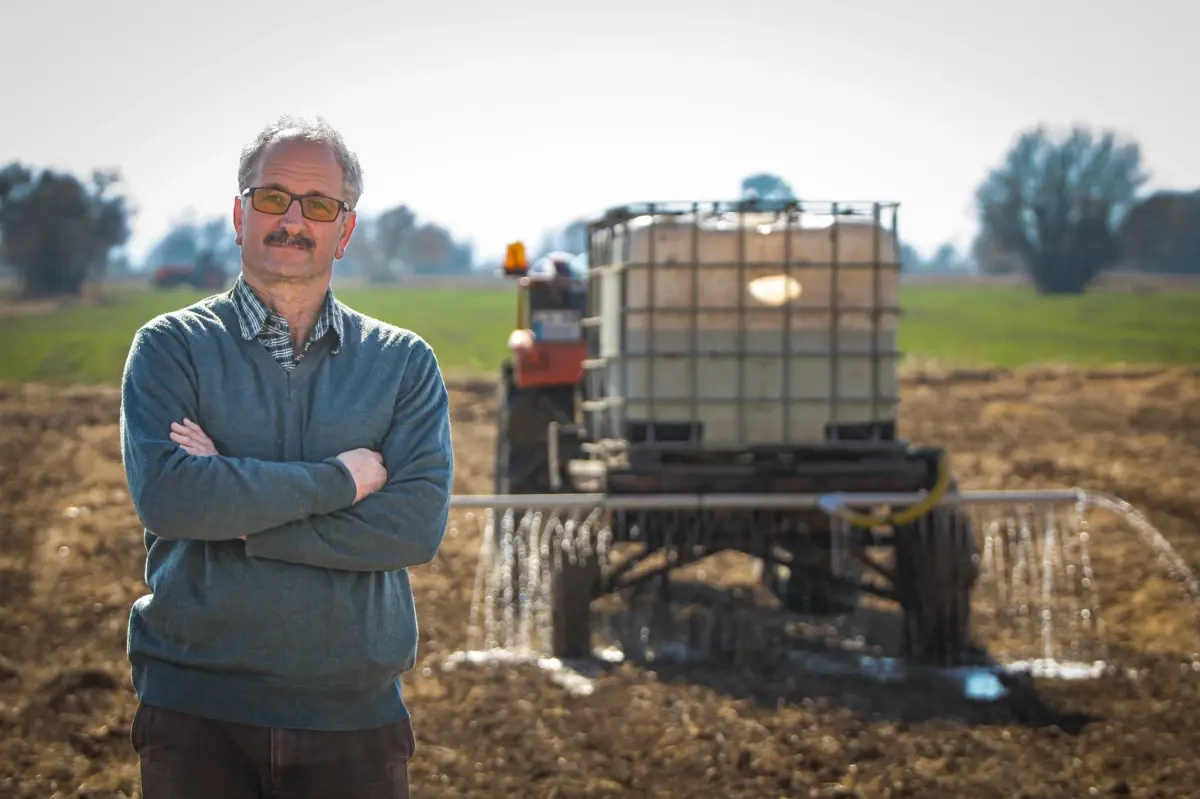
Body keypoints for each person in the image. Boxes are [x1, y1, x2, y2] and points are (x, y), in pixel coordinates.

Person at [118, 115, 454, 798]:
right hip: (197, 713)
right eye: (273, 198)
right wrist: (340, 480)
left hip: (353, 718)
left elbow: (413, 526)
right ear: (239, 213)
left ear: (345, 230)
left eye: (318, 206)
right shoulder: (170, 347)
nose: (293, 220)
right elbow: (173, 498)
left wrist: (241, 515)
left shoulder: (403, 364)